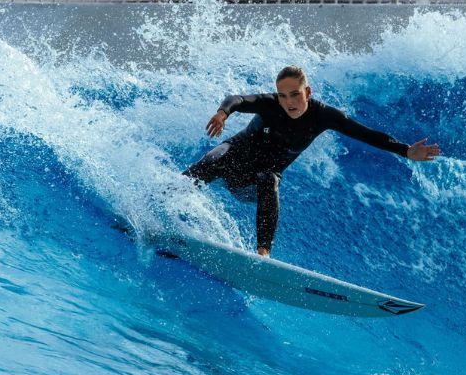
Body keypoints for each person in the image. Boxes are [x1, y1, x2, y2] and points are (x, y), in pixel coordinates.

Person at [183, 65, 441, 257]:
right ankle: (165, 198)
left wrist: (406, 151)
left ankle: (262, 254)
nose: (288, 102)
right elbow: (238, 99)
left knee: (269, 179)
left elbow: (366, 134)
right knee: (217, 155)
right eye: (282, 96)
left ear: (307, 91)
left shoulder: (323, 116)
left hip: (251, 182)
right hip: (234, 160)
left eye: (294, 94)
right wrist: (222, 113)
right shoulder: (270, 104)